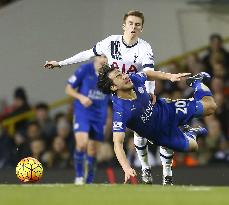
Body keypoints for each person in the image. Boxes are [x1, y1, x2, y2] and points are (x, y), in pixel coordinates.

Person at [44, 10, 172, 184]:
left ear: (141, 28)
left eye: (137, 25)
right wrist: (61, 63)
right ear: (124, 25)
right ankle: (144, 168)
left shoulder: (145, 47)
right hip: (118, 96)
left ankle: (148, 169)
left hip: (139, 91)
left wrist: (151, 91)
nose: (133, 27)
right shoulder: (110, 42)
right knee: (124, 135)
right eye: (130, 23)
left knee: (141, 131)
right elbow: (88, 53)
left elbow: (149, 72)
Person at [97, 64, 217, 184]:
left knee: (210, 107)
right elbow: (117, 143)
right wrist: (126, 168)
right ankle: (191, 132)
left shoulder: (133, 79)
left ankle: (196, 82)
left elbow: (148, 73)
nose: (124, 76)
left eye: (121, 73)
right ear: (113, 87)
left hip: (168, 110)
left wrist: (169, 76)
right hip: (161, 134)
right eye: (118, 76)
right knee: (193, 146)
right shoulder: (121, 111)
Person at [65, 55, 109, 185]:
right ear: (95, 57)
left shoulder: (111, 73)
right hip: (83, 112)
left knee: (93, 150)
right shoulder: (84, 69)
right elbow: (68, 88)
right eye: (101, 57)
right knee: (82, 144)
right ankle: (79, 176)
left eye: (106, 57)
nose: (103, 60)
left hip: (100, 115)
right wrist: (80, 97)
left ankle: (89, 181)